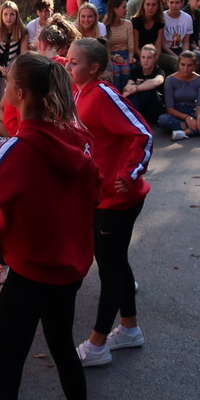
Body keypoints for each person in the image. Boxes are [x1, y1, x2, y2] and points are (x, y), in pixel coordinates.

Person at [0, 53, 101, 400]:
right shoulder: (81, 142)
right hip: (68, 273)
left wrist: (2, 248)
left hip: (27, 276)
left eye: (8, 83)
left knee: (4, 379)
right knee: (61, 342)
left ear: (21, 93)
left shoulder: (15, 150)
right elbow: (94, 196)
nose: (4, 90)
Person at [63, 38, 152, 373]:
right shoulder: (81, 90)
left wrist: (129, 173)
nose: (68, 66)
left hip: (118, 197)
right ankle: (129, 328)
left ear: (95, 68)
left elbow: (143, 133)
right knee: (115, 261)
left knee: (110, 270)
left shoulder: (102, 94)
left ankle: (98, 343)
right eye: (68, 60)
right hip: (101, 195)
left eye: (75, 62)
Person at [158, 51, 200, 139]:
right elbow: (170, 109)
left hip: (193, 112)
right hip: (177, 114)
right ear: (178, 64)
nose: (186, 68)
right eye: (183, 65)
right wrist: (187, 118)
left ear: (195, 66)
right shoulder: (170, 80)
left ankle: (186, 132)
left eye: (189, 65)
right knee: (163, 119)